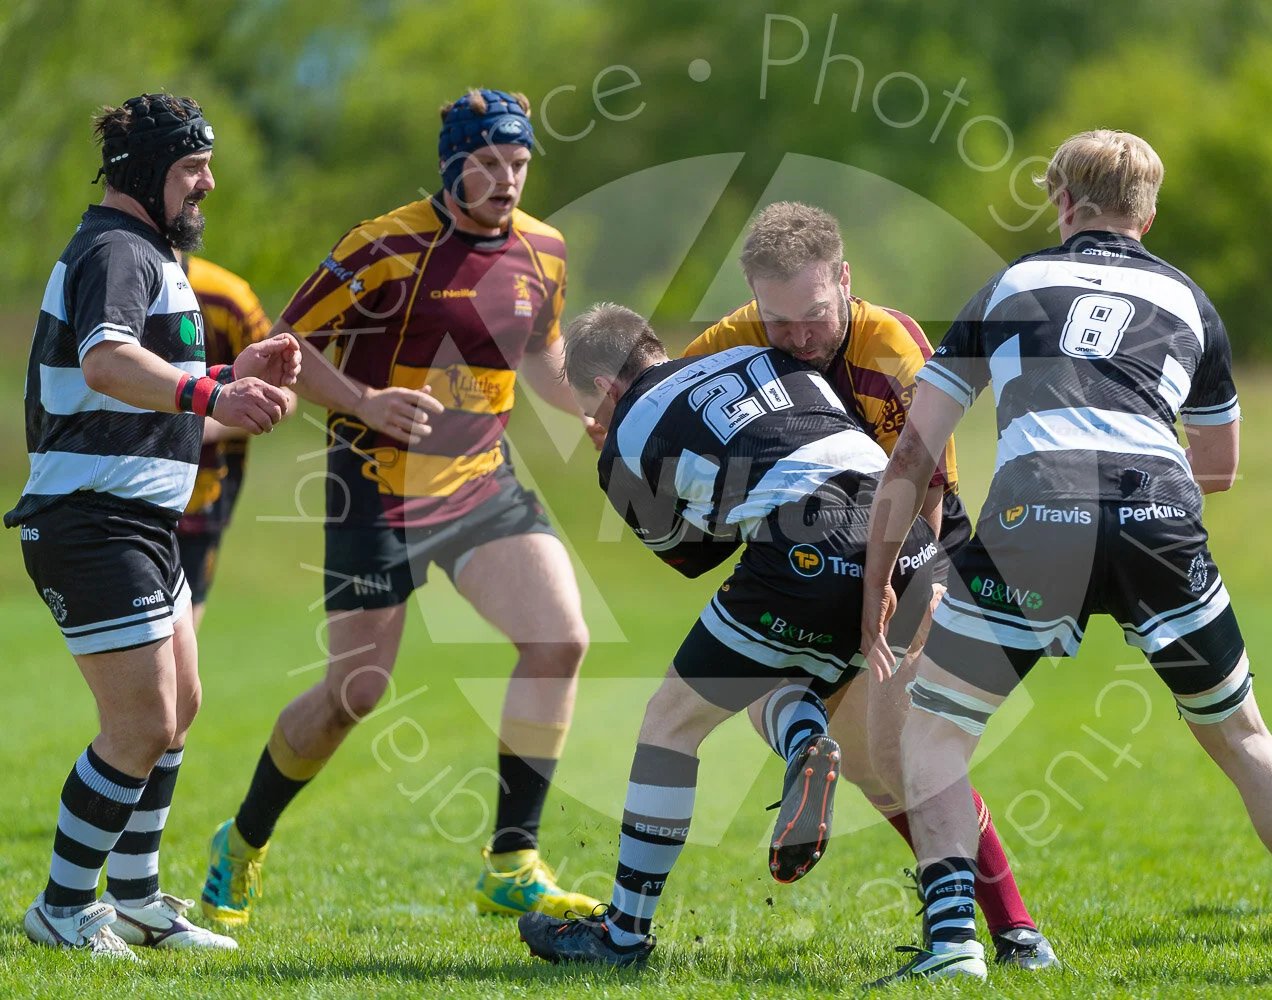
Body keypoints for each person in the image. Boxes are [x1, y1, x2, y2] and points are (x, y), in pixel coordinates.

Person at [861, 130, 1272, 983]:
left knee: (938, 729)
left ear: (1061, 202)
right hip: (1159, 518)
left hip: (1033, 515)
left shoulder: (1008, 286)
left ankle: (956, 944)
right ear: (1148, 212)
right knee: (1241, 734)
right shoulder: (1190, 302)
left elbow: (913, 456)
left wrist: (882, 574)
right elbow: (1217, 469)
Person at [200, 88, 600, 925]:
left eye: (519, 165)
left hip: (483, 485)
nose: (506, 181)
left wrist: (601, 413)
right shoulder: (385, 244)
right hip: (375, 492)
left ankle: (513, 860)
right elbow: (284, 348)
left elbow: (544, 352)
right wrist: (365, 402)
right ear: (452, 165)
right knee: (355, 693)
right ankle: (240, 844)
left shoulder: (545, 251)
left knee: (560, 638)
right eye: (488, 164)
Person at [682, 201, 1053, 968]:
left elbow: (927, 495)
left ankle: (1010, 932)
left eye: (814, 316)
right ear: (754, 299)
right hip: (813, 574)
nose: (797, 339)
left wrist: (879, 597)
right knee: (807, 721)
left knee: (906, 752)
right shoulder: (736, 339)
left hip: (921, 565)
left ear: (844, 282)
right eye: (777, 322)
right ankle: (1007, 929)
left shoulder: (892, 347)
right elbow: (669, 399)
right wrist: (615, 416)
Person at [516, 304, 939, 968]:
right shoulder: (767, 357)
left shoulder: (626, 433)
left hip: (802, 548)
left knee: (670, 722)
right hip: (902, 539)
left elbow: (691, 556)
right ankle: (807, 743)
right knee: (775, 675)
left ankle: (623, 936)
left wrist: (630, 461)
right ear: (657, 348)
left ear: (602, 389)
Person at [7, 93, 298, 958]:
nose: (206, 184)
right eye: (190, 168)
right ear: (145, 174)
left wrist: (231, 382)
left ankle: (133, 900)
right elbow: (104, 361)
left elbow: (151, 403)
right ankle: (63, 906)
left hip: (136, 517)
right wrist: (211, 388)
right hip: (89, 520)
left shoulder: (151, 252)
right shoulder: (116, 250)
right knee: (137, 725)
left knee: (178, 713)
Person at [176, 255, 277, 628]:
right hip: (120, 495)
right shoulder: (112, 290)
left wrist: (212, 422)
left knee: (176, 658)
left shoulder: (227, 297)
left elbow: (286, 393)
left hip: (202, 496)